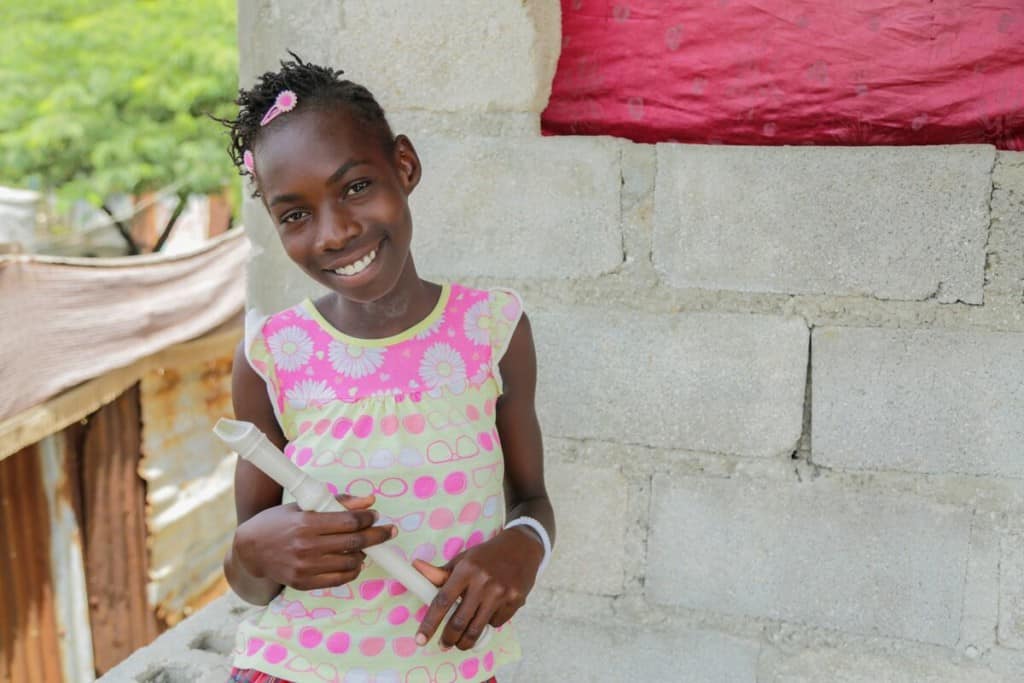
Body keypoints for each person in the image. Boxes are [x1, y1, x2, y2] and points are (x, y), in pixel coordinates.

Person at [219, 54, 555, 683]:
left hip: (451, 668)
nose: (335, 232)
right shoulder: (271, 355)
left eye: (355, 187)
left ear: (404, 166)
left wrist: (525, 544)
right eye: (295, 214)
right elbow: (255, 584)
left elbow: (531, 498)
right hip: (297, 667)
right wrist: (252, 551)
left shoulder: (493, 329)